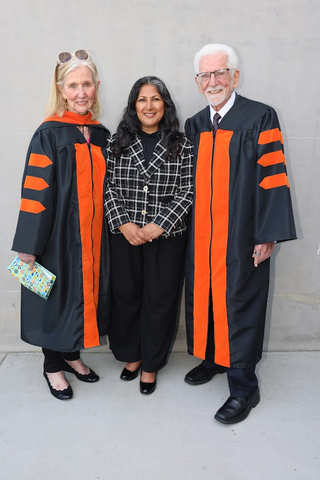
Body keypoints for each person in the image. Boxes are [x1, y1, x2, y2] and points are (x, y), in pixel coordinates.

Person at [184, 43, 296, 423]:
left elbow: (273, 180)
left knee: (240, 303)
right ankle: (214, 359)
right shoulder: (195, 125)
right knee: (208, 299)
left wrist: (267, 235)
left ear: (234, 75)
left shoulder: (260, 117)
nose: (213, 81)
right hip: (203, 239)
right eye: (205, 75)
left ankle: (245, 388)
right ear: (198, 82)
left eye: (219, 73)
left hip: (242, 236)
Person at [12, 50, 111, 400]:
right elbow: (35, 190)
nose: (80, 92)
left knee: (82, 297)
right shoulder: (49, 133)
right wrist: (29, 244)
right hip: (55, 236)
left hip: (93, 237)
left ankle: (72, 355)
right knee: (53, 300)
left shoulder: (101, 135)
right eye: (73, 85)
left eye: (86, 84)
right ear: (61, 89)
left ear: (96, 87)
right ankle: (52, 365)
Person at [105, 76, 193, 395]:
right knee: (126, 297)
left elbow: (187, 191)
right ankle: (132, 355)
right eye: (142, 100)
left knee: (160, 300)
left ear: (165, 105)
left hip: (166, 237)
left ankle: (151, 364)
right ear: (133, 106)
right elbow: (108, 188)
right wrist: (124, 223)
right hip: (125, 234)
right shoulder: (116, 141)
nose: (149, 106)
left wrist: (161, 223)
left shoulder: (182, 145)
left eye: (155, 99)